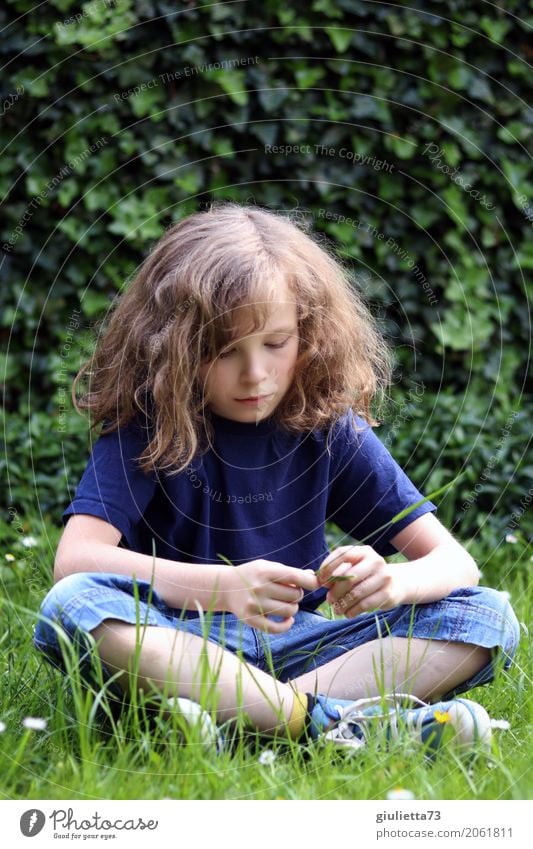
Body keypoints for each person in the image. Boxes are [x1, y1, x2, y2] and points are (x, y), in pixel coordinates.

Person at [34, 203, 519, 752]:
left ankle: (246, 720)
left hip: (302, 646)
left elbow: (457, 564)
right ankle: (335, 725)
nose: (255, 374)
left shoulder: (327, 428)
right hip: (176, 647)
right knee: (73, 605)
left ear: (310, 334)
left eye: (276, 342)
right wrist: (226, 588)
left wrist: (393, 582)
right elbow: (74, 563)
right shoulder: (147, 426)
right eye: (223, 351)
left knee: (485, 615)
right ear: (169, 345)